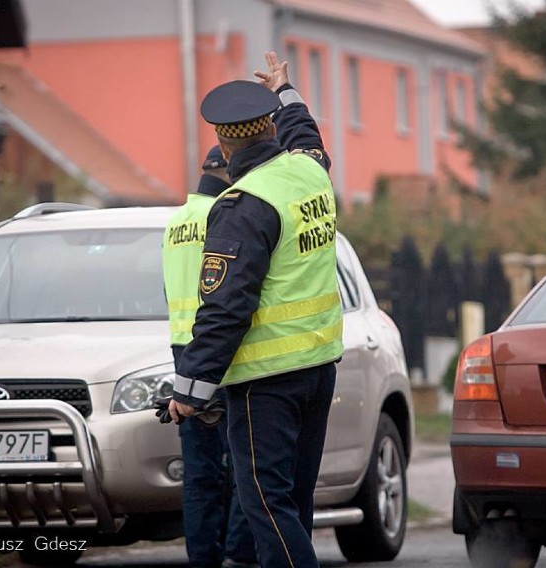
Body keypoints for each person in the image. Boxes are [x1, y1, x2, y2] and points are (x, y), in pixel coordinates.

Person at [167, 51, 343, 568]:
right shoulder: (310, 174)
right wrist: (286, 90)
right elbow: (307, 135)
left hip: (266, 380)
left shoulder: (242, 205)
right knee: (293, 501)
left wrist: (189, 389)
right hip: (317, 367)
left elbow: (225, 308)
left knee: (267, 505)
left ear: (222, 141)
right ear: (268, 127)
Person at [160, 147, 258, 568]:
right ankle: (241, 549)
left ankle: (202, 557)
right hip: (222, 347)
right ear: (227, 171)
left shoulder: (176, 220)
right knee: (243, 458)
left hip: (184, 349)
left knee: (200, 468)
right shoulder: (224, 215)